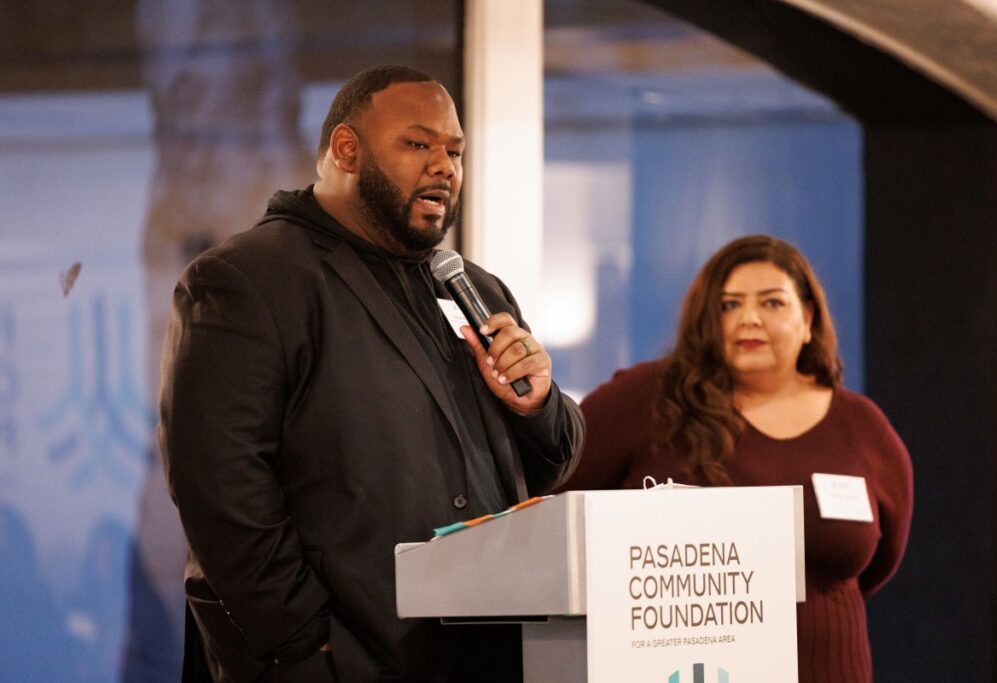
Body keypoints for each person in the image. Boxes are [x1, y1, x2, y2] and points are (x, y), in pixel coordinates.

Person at [158, 64, 584, 683]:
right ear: (346, 150)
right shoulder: (248, 278)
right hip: (341, 659)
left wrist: (536, 406)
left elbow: (553, 463)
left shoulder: (474, 289)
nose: (445, 166)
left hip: (484, 652)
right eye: (418, 144)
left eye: (455, 151)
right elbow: (219, 486)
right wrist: (305, 645)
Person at [559, 235, 912, 682]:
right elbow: (559, 505)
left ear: (807, 320)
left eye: (772, 303)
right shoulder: (646, 400)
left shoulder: (863, 427)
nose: (748, 319)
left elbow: (880, 562)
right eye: (728, 306)